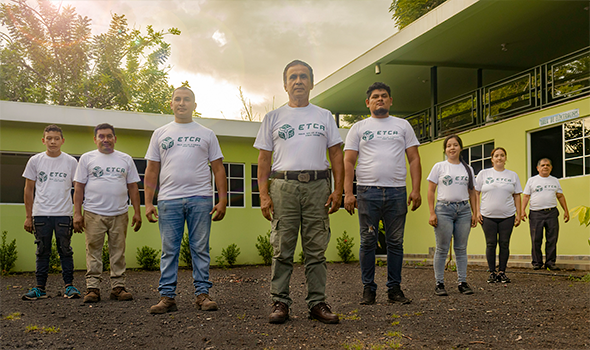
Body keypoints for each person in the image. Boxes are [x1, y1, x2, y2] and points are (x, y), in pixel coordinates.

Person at [254, 60, 344, 324]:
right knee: (282, 249)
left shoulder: (324, 116)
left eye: (304, 76)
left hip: (318, 186)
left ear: (312, 83)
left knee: (316, 249)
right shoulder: (273, 117)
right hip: (283, 187)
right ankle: (280, 302)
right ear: (285, 84)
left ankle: (317, 303)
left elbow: (336, 153)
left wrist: (338, 189)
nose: (298, 81)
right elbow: (263, 159)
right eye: (293, 77)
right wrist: (263, 193)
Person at [144, 87, 227, 314]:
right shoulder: (160, 133)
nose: (182, 103)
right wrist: (149, 202)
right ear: (171, 104)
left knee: (199, 248)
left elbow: (218, 169)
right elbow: (151, 170)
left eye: (187, 99)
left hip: (200, 199)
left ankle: (202, 295)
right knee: (169, 249)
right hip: (168, 200)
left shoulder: (207, 133)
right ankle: (167, 298)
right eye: (177, 99)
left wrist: (222, 200)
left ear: (194, 105)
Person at [343, 82, 421, 305]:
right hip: (367, 192)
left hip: (397, 192)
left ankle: (394, 289)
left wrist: (415, 189)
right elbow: (349, 161)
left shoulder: (403, 125)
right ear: (368, 103)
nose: (380, 99)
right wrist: (348, 193)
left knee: (395, 242)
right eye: (375, 97)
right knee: (368, 241)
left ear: (391, 100)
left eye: (384, 96)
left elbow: (414, 158)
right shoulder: (358, 128)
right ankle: (368, 289)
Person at [73, 123, 142, 303]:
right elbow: (78, 188)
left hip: (119, 213)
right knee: (93, 251)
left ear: (115, 138)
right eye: (101, 136)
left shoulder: (125, 159)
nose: (105, 139)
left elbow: (133, 187)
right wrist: (77, 214)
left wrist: (137, 212)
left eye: (109, 136)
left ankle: (118, 288)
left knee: (118, 251)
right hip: (93, 213)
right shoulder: (87, 159)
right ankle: (93, 288)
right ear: (95, 139)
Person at [21, 125, 81, 300]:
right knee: (42, 251)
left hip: (64, 214)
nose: (53, 142)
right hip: (40, 215)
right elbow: (28, 190)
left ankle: (69, 287)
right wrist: (28, 216)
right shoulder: (35, 161)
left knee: (65, 251)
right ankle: (40, 288)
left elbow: (77, 189)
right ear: (43, 140)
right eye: (49, 138)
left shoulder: (71, 162)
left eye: (56, 138)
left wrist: (77, 214)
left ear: (62, 141)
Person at [427, 134, 477, 296]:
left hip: (463, 210)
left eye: (455, 145)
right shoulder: (439, 167)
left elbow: (472, 193)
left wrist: (475, 213)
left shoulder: (467, 169)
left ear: (460, 148)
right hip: (443, 210)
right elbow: (431, 190)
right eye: (449, 146)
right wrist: (432, 212)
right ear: (445, 149)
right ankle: (439, 283)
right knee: (442, 248)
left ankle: (462, 282)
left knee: (461, 248)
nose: (452, 148)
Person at [475, 147, 522, 283]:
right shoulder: (484, 174)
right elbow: (476, 193)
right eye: (496, 155)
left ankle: (502, 272)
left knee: (504, 244)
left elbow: (517, 195)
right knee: (490, 244)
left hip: (507, 216)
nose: (499, 158)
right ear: (492, 159)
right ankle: (492, 272)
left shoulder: (512, 175)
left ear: (505, 158)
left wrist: (518, 214)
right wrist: (477, 212)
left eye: (502, 155)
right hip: (487, 215)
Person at [521, 158, 569, 271]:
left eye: (548, 165)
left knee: (552, 238)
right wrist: (522, 210)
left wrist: (566, 211)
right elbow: (526, 196)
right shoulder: (532, 180)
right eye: (543, 165)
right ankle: (537, 263)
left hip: (552, 212)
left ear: (551, 168)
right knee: (536, 239)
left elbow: (560, 196)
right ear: (538, 168)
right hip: (536, 213)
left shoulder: (555, 181)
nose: (545, 167)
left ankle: (550, 262)